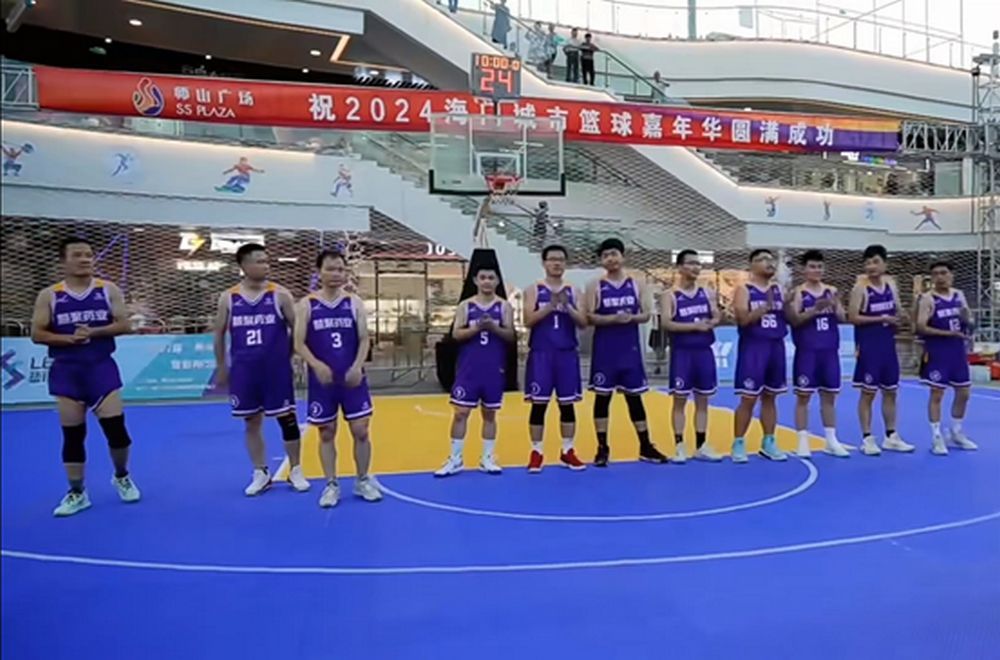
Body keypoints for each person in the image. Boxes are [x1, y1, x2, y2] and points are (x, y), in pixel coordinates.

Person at [31, 238, 141, 516]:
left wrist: (93, 332)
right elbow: (37, 333)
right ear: (63, 261)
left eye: (88, 255)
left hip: (100, 368)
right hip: (67, 371)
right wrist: (68, 339)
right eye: (77, 255)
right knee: (73, 435)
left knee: (117, 431)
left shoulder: (107, 289)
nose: (84, 259)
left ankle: (121, 475)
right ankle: (77, 492)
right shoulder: (50, 295)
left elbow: (124, 324)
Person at [213, 243, 310, 496]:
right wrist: (221, 365)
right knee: (251, 421)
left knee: (287, 419)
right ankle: (260, 472)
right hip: (245, 370)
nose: (265, 266)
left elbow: (297, 329)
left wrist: (293, 357)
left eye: (267, 261)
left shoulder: (280, 294)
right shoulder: (229, 297)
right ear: (243, 266)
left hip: (275, 370)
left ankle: (296, 469)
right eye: (259, 261)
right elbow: (219, 333)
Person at [294, 250, 381, 507]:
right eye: (330, 269)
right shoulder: (307, 305)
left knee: (361, 430)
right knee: (326, 432)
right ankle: (331, 484)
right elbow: (298, 343)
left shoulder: (354, 302)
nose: (336, 274)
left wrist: (358, 366)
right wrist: (316, 364)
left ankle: (362, 479)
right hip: (323, 382)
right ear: (319, 272)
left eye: (341, 269)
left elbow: (364, 339)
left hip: (352, 378)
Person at [586, 238, 668, 466]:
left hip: (629, 349)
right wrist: (613, 318)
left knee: (635, 397)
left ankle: (645, 445)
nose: (610, 259)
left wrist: (630, 317)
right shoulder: (595, 285)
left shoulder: (637, 283)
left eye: (614, 253)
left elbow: (646, 314)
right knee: (602, 398)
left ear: (622, 256)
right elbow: (589, 316)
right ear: (601, 261)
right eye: (605, 255)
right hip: (605, 349)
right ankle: (602, 447)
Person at [435, 266, 516, 477]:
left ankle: (487, 458)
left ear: (497, 281)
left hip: (493, 369)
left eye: (491, 277)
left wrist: (494, 328)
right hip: (469, 368)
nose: (487, 281)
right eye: (483, 277)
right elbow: (456, 334)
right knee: (460, 413)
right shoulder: (466, 306)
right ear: (476, 281)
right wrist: (477, 328)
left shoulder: (504, 306)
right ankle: (455, 458)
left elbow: (510, 336)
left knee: (489, 414)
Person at [523, 245, 588, 472]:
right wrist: (550, 306)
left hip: (566, 354)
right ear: (544, 263)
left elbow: (583, 322)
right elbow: (527, 321)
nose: (556, 263)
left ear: (566, 263)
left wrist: (567, 306)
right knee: (539, 405)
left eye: (561, 259)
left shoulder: (574, 290)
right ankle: (537, 451)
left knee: (567, 404)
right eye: (552, 259)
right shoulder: (533, 289)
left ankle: (567, 450)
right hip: (541, 353)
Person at [848, 244, 913, 455]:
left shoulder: (891, 285)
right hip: (869, 345)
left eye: (875, 262)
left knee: (891, 391)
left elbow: (898, 310)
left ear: (885, 263)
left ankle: (891, 435)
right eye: (867, 263)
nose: (871, 266)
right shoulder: (860, 288)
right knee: (868, 393)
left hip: (887, 344)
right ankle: (867, 438)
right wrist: (880, 318)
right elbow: (852, 317)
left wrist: (904, 317)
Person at [661, 249, 723, 463]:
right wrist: (694, 326)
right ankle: (679, 445)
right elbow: (666, 323)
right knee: (679, 401)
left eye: (698, 264)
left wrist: (714, 321)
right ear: (680, 267)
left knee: (703, 400)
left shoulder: (707, 292)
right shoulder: (670, 295)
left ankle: (701, 445)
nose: (696, 267)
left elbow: (716, 315)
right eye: (691, 263)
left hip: (704, 351)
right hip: (682, 353)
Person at [786, 250, 849, 458]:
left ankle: (831, 440)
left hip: (829, 351)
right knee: (803, 396)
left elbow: (842, 318)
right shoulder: (798, 292)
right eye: (812, 267)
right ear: (804, 269)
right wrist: (815, 309)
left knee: (829, 396)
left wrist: (835, 306)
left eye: (820, 267)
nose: (816, 270)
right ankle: (802, 441)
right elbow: (795, 321)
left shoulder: (831, 290)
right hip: (807, 351)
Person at [731, 249, 788, 463]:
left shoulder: (779, 290)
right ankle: (738, 442)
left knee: (770, 396)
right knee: (748, 397)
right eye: (762, 259)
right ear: (752, 265)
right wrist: (762, 309)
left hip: (776, 346)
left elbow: (789, 317)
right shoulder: (744, 289)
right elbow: (742, 319)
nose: (768, 263)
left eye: (770, 259)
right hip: (754, 347)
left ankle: (769, 441)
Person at [915, 261, 977, 455]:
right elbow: (920, 326)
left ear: (952, 275)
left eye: (944, 273)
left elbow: (969, 321)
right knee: (937, 393)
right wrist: (948, 334)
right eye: (935, 274)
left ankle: (956, 432)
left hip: (957, 351)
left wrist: (968, 321)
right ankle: (936, 436)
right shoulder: (928, 298)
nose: (940, 277)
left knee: (964, 393)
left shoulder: (959, 295)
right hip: (937, 352)